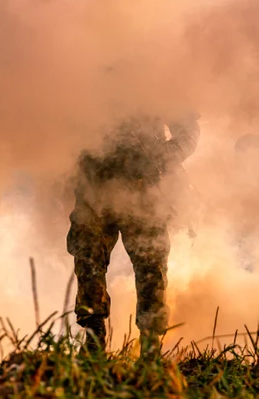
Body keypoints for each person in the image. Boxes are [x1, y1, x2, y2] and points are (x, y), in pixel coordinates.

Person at [66, 113, 199, 356]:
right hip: (95, 184)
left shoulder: (156, 79)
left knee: (151, 264)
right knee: (88, 259)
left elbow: (188, 127)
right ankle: (94, 338)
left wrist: (166, 155)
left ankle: (150, 345)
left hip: (143, 185)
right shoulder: (81, 77)